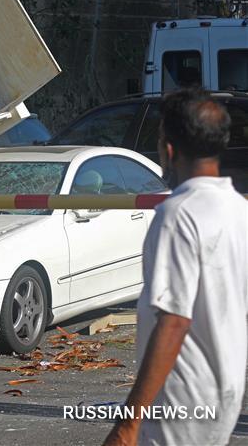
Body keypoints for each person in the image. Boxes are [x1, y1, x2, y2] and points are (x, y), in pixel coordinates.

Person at [105, 89, 248, 445]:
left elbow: (174, 321)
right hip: (224, 391)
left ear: (169, 149)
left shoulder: (177, 214)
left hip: (182, 400)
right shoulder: (237, 209)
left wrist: (128, 423)